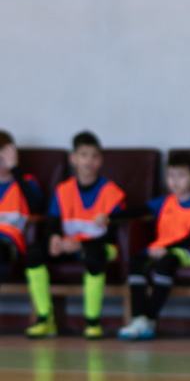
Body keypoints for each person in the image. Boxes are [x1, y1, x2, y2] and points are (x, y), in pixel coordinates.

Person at [25, 131, 125, 339]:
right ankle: (45, 319)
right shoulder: (63, 190)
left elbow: (115, 234)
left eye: (94, 156)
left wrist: (81, 245)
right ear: (73, 158)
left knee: (94, 256)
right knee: (34, 253)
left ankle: (92, 322)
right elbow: (53, 222)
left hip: (101, 247)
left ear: (101, 160)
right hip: (69, 246)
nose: (88, 161)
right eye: (83, 155)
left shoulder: (112, 192)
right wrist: (54, 238)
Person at [117, 151, 190, 340]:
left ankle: (150, 319)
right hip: (160, 249)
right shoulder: (163, 202)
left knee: (166, 262)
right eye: (171, 175)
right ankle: (138, 318)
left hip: (188, 252)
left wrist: (168, 249)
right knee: (136, 262)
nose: (175, 181)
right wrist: (109, 216)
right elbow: (138, 211)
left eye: (181, 175)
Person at [0, 131, 44, 285]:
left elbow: (36, 207)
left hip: (9, 243)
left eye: (3, 158)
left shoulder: (26, 182)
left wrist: (15, 170)